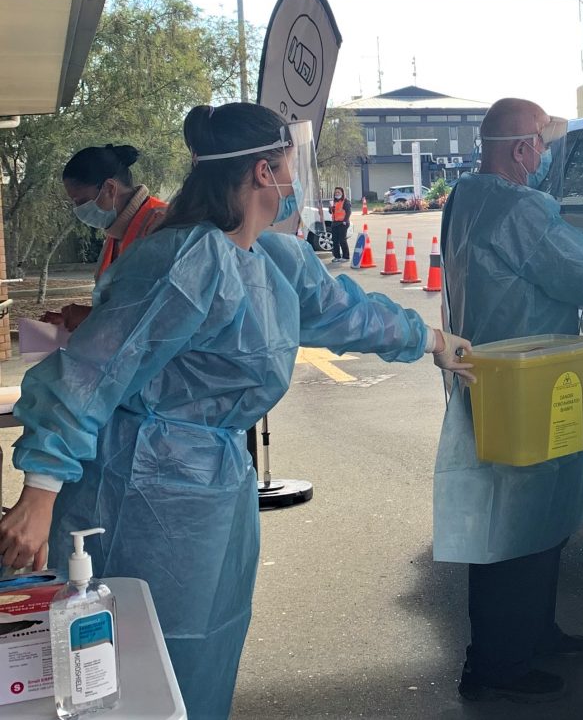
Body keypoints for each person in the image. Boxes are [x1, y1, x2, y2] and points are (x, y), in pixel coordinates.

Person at [0, 102, 473, 719]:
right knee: (134, 659)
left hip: (215, 489)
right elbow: (92, 370)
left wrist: (434, 340)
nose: (292, 181)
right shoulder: (185, 260)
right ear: (262, 172)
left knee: (207, 644)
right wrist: (40, 492)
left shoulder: (271, 261)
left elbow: (349, 314)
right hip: (140, 486)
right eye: (287, 166)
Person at [435, 97, 583, 703]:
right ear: (521, 150)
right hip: (525, 382)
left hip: (498, 377)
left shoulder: (469, 197)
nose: (546, 156)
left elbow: (551, 251)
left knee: (533, 518)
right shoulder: (518, 208)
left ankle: (533, 633)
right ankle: (497, 665)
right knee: (516, 526)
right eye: (542, 144)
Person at [42, 144, 167, 331]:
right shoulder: (116, 233)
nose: (78, 210)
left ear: (109, 188)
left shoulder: (163, 226)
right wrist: (78, 320)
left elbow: (164, 313)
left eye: (81, 201)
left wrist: (90, 317)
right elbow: (119, 303)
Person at [330, 185, 351, 262]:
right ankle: (337, 256)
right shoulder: (334, 202)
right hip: (335, 223)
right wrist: (331, 208)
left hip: (343, 223)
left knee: (342, 240)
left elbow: (348, 212)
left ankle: (346, 256)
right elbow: (331, 212)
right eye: (336, 192)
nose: (337, 193)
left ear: (342, 193)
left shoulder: (346, 201)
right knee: (335, 240)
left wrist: (345, 220)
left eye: (338, 192)